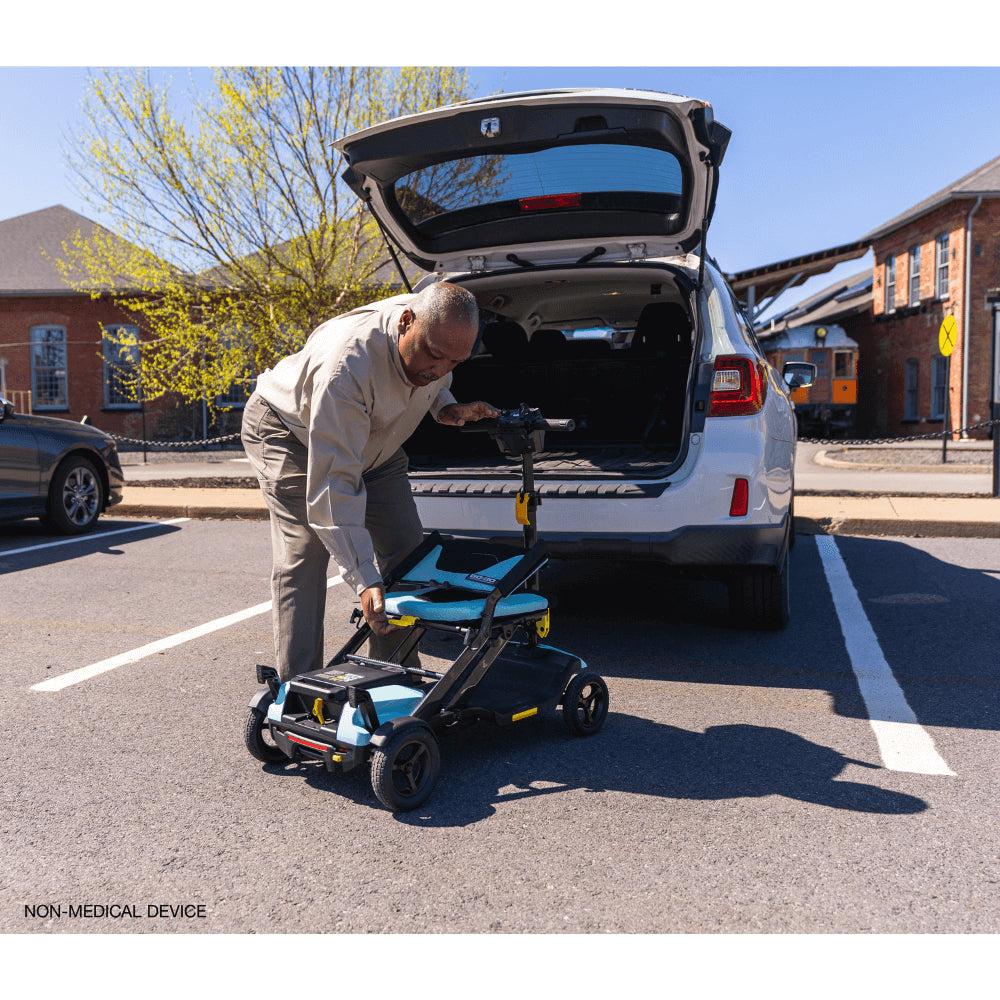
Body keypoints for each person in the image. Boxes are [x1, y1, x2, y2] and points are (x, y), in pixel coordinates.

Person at [241, 281, 497, 682]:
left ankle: (391, 674)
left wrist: (445, 405)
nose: (440, 371)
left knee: (407, 552)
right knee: (305, 553)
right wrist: (363, 579)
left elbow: (437, 371)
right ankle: (297, 690)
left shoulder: (432, 339)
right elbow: (334, 487)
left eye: (455, 363)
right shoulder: (346, 370)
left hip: (373, 438)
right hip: (290, 432)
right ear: (406, 322)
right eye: (434, 356)